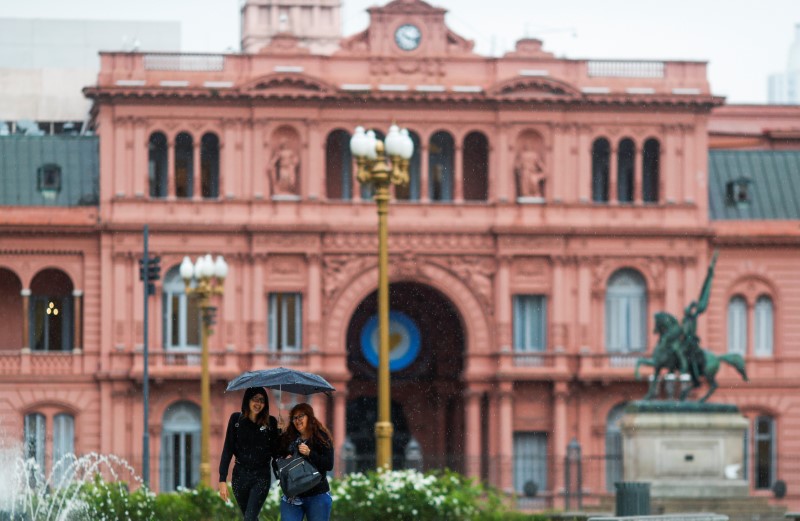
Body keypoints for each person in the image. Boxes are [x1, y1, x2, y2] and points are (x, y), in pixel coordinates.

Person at [218, 387, 279, 521]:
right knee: (249, 517)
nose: (258, 404)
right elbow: (228, 449)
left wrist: (281, 435)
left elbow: (276, 452)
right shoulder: (236, 420)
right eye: (255, 399)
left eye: (262, 400)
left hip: (261, 476)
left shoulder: (271, 422)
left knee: (249, 518)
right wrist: (222, 479)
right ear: (247, 400)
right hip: (240, 476)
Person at [276, 403, 334, 521]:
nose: (297, 420)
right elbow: (276, 457)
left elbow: (328, 464)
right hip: (293, 495)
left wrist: (310, 453)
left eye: (301, 416)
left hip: (317, 494)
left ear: (309, 417)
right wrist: (279, 433)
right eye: (294, 418)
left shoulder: (321, 437)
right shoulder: (289, 437)